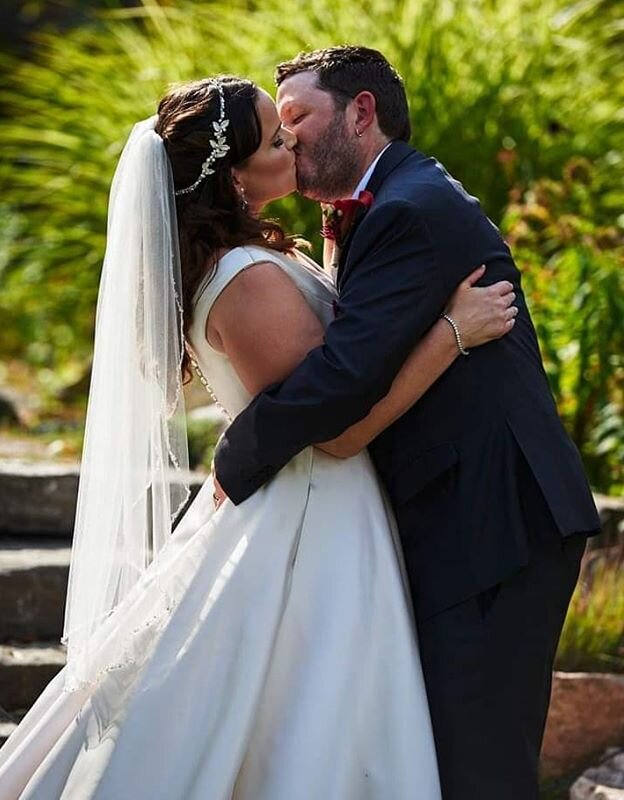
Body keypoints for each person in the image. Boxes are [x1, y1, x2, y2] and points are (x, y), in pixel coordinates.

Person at [0, 76, 513, 799]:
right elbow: (338, 432)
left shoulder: (247, 260)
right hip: (311, 515)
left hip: (301, 503)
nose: (291, 141)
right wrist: (454, 332)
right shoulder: (247, 279)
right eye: (274, 138)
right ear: (234, 177)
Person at [212, 48, 602, 800]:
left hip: (492, 521)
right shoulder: (384, 200)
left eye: (297, 117)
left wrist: (238, 456)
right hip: (453, 510)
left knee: (477, 761)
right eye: (278, 126)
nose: (287, 138)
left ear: (362, 111)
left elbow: (343, 379)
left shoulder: (410, 210)